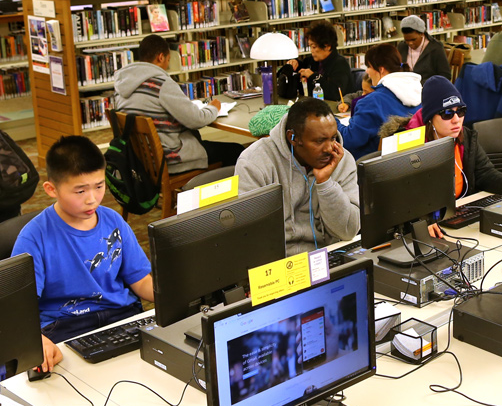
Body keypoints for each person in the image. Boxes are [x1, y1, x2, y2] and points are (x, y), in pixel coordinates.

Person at [12, 136, 155, 371]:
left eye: (99, 186)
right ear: (51, 189)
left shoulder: (113, 221)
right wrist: (37, 341)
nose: (92, 199)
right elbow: (19, 310)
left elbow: (141, 281)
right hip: (65, 327)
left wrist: (175, 293)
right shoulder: (34, 237)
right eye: (80, 191)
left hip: (121, 316)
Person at [380, 77, 502, 240]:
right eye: (447, 113)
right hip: (421, 232)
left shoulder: (463, 136)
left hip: (457, 221)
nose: (456, 120)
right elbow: (400, 199)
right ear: (430, 118)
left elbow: (486, 174)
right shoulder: (407, 146)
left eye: (460, 111)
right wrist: (422, 219)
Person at [235, 98, 359, 256]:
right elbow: (250, 237)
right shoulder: (255, 162)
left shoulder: (341, 159)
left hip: (330, 256)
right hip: (278, 263)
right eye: (320, 141)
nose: (329, 148)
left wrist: (325, 183)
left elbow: (348, 231)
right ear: (292, 137)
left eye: (333, 138)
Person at [114, 35, 244, 174]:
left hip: (138, 159)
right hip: (169, 159)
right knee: (237, 151)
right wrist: (213, 108)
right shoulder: (161, 83)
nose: (167, 66)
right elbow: (196, 120)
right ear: (161, 57)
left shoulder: (121, 84)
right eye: (168, 60)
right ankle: (225, 194)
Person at [337, 44, 422, 159]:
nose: (367, 71)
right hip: (413, 161)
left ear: (381, 69)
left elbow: (348, 141)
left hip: (371, 166)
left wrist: (333, 122)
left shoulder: (372, 102)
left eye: (369, 66)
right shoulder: (420, 93)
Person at [280, 20, 354, 101]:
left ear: (327, 46)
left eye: (314, 47)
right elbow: (301, 66)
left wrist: (313, 76)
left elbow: (335, 93)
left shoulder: (340, 64)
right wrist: (294, 63)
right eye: (310, 46)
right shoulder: (313, 60)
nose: (311, 50)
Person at [396, 15, 450, 83]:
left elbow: (445, 75)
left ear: (422, 34)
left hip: (427, 88)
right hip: (405, 87)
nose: (410, 43)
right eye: (407, 40)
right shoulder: (402, 46)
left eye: (413, 40)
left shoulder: (436, 48)